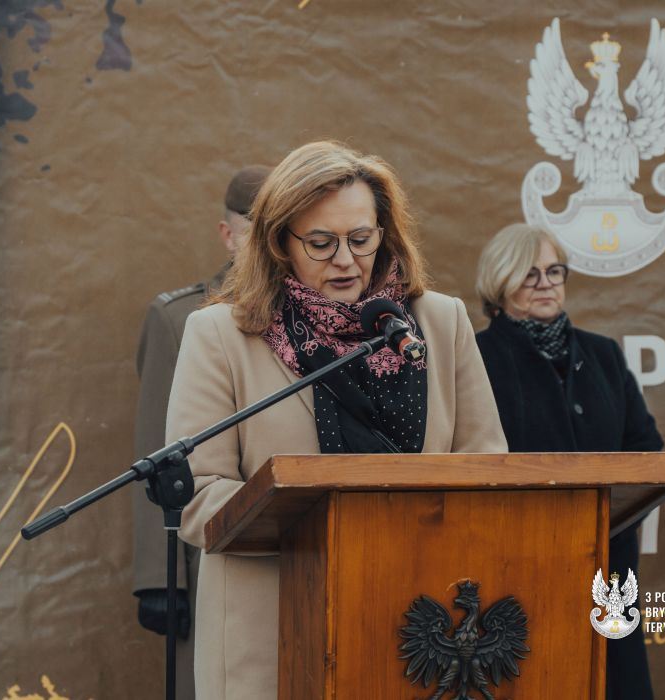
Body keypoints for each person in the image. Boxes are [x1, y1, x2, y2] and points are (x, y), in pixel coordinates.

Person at [166, 141, 507, 699]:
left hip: (417, 627)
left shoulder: (439, 323)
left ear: (384, 234)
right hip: (275, 635)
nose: (346, 260)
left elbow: (488, 469)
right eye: (322, 243)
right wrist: (334, 525)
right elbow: (199, 495)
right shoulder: (221, 335)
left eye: (361, 238)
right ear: (280, 243)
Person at [473, 222, 663, 700]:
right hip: (518, 566)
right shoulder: (476, 358)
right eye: (529, 273)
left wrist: (614, 508)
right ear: (500, 282)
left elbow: (646, 449)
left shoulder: (603, 354)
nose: (546, 283)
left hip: (608, 565)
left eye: (554, 271)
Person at [131, 165, 271, 700]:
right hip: (209, 546)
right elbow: (158, 450)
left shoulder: (316, 313)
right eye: (257, 230)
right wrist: (160, 576)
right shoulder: (182, 317)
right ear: (228, 235)